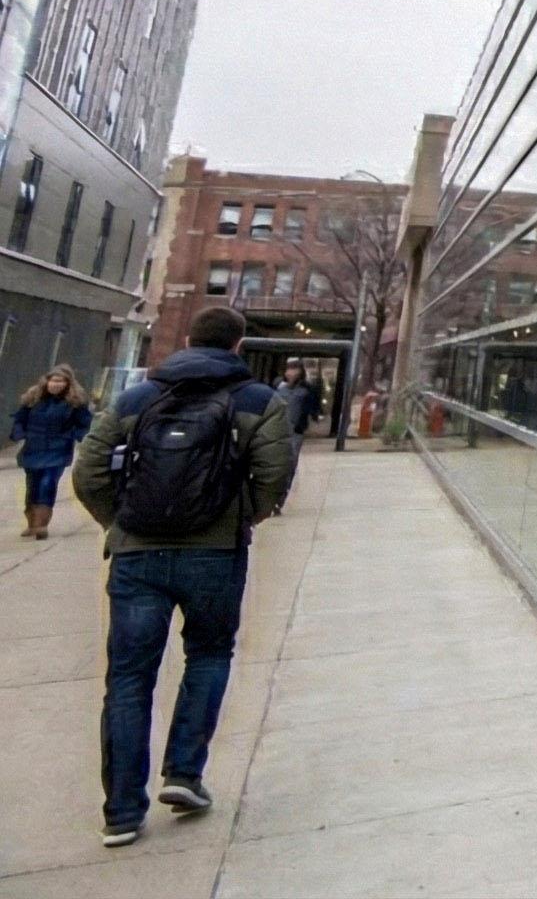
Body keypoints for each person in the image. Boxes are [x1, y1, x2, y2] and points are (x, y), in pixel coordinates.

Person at [72, 305, 296, 847]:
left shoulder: (137, 398)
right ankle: (184, 774)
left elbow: (88, 472)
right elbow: (274, 473)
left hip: (137, 555)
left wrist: (119, 521)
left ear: (189, 338)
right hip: (215, 554)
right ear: (238, 346)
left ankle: (122, 811)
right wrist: (241, 517)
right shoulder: (259, 401)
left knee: (127, 679)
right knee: (210, 655)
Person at [10, 363, 91, 538]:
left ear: (68, 384)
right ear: (46, 382)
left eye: (61, 381)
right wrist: (20, 433)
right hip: (33, 449)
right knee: (33, 485)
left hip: (58, 450)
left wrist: (72, 435)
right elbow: (20, 419)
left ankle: (41, 524)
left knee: (48, 483)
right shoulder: (33, 399)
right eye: (54, 380)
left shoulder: (75, 403)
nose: (56, 384)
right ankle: (31, 521)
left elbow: (84, 424)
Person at [278, 361, 323, 438]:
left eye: (294, 374)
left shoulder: (306, 389)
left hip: (296, 427)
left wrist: (314, 415)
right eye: (289, 373)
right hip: (279, 425)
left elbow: (311, 405)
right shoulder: (280, 387)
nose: (291, 375)